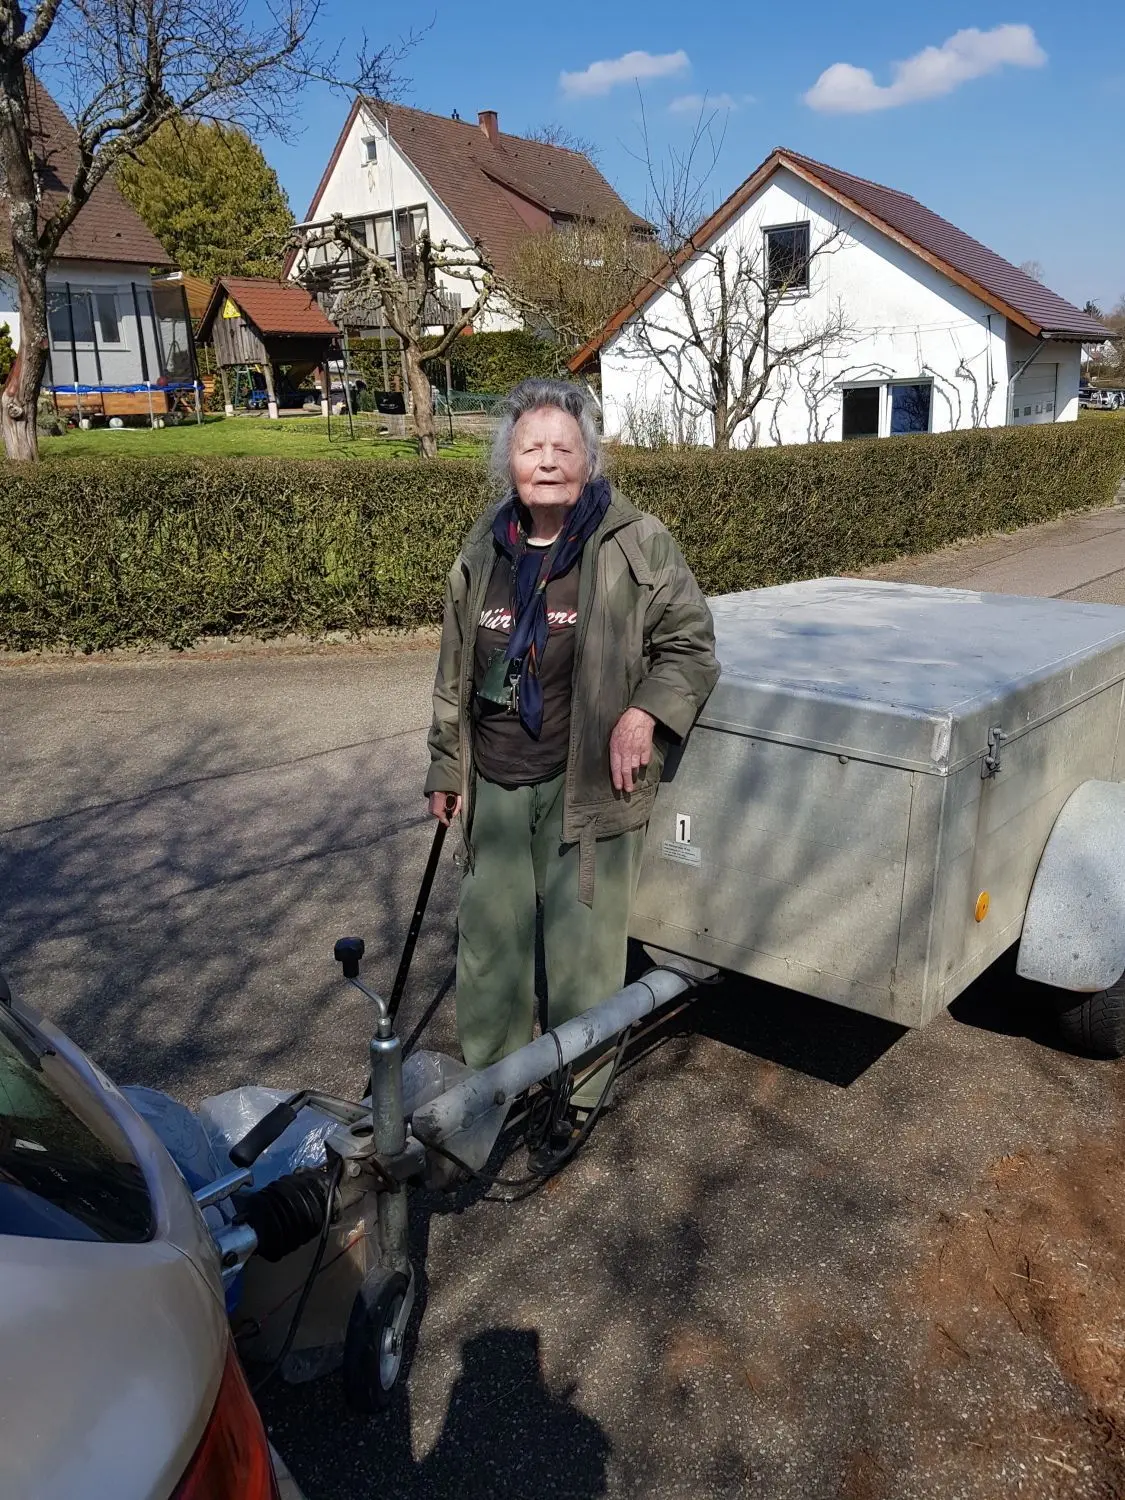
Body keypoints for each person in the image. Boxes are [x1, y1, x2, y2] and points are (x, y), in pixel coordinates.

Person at [424, 378, 718, 1144]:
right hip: (494, 779)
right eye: (531, 448)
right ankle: (490, 1094)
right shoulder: (485, 544)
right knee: (489, 947)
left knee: (584, 953)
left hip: (585, 783)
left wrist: (643, 712)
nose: (547, 461)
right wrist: (443, 769)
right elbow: (455, 666)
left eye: (563, 447)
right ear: (507, 462)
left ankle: (576, 1098)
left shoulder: (634, 541)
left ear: (589, 457)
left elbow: (688, 645)